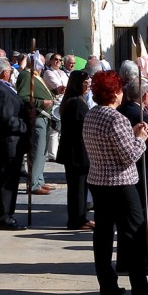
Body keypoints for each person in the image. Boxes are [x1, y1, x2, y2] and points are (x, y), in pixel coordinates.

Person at [82, 71, 148, 295]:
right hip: (120, 182)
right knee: (134, 233)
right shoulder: (115, 118)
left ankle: (107, 284)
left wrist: (133, 136)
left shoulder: (92, 115)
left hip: (98, 180)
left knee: (104, 234)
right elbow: (129, 155)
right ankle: (140, 289)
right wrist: (141, 139)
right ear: (115, 93)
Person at [119, 75, 148, 272]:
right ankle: (146, 263)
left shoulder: (121, 112)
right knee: (146, 223)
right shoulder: (142, 117)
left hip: (126, 176)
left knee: (125, 222)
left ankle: (124, 261)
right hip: (145, 174)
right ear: (145, 95)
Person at [0, 56, 30, 230]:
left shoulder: (2, 88)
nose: (11, 73)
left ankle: (5, 214)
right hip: (6, 145)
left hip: (9, 144)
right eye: (10, 70)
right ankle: (4, 216)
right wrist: (25, 125)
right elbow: (6, 119)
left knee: (9, 181)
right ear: (4, 73)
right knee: (6, 182)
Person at [55, 70, 94, 230]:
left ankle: (81, 216)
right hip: (76, 152)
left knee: (79, 187)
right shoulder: (76, 102)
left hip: (75, 151)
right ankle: (77, 219)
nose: (88, 86)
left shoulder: (75, 100)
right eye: (85, 83)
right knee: (77, 188)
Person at [17, 54, 56, 196]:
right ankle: (34, 184)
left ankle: (39, 180)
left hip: (43, 117)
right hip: (37, 116)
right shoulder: (26, 76)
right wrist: (41, 103)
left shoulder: (35, 75)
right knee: (37, 151)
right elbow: (22, 97)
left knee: (42, 151)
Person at [43, 54, 69, 161]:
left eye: (60, 60)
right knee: (54, 129)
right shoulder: (48, 72)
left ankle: (59, 151)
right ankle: (53, 154)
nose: (58, 61)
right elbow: (57, 86)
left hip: (64, 101)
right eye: (56, 59)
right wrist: (65, 88)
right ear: (51, 61)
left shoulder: (63, 72)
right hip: (55, 102)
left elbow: (67, 86)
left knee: (61, 129)